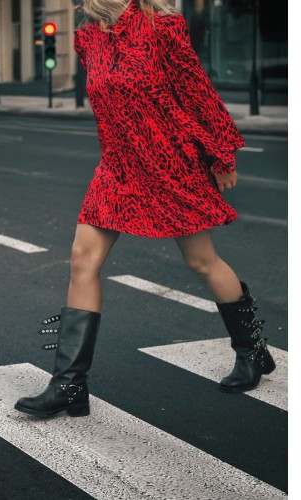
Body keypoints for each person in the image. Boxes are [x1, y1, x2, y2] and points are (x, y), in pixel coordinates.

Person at [14, 0, 276, 419]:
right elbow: (105, 106)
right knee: (83, 260)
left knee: (201, 261)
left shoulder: (163, 25)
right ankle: (68, 385)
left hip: (170, 161)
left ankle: (252, 350)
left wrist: (221, 155)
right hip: (118, 164)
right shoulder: (88, 37)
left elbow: (196, 90)